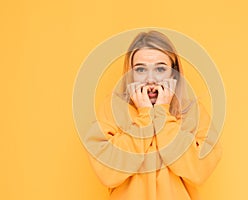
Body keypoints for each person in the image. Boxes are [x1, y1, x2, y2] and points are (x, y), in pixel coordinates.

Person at [84, 30, 222, 200]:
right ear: (130, 73)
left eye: (160, 69)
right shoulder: (112, 108)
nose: (150, 79)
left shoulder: (193, 112)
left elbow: (199, 170)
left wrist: (162, 114)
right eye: (141, 69)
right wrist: (145, 118)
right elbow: (108, 172)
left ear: (174, 72)